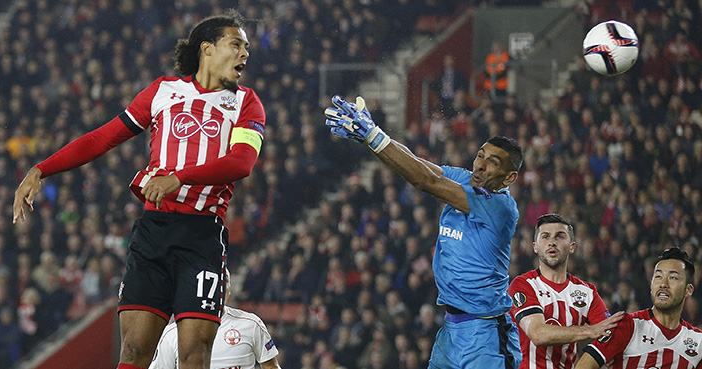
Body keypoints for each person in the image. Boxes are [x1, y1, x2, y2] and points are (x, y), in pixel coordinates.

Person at [13, 10, 265, 369]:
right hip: (153, 233)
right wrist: (41, 169)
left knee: (194, 357)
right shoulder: (163, 91)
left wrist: (177, 178)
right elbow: (103, 137)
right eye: (236, 44)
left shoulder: (246, 102)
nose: (245, 53)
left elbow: (242, 162)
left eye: (247, 47)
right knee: (133, 353)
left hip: (202, 238)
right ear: (207, 49)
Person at [324, 95, 524, 368]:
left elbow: (425, 181)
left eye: (493, 162)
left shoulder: (500, 206)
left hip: (486, 333)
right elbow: (418, 164)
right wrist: (376, 136)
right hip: (452, 328)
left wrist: (373, 137)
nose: (480, 164)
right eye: (480, 155)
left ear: (509, 177)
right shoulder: (466, 179)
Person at [508, 214, 624, 369]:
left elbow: (610, 335)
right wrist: (589, 331)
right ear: (535, 247)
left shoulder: (587, 292)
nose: (552, 242)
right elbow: (538, 334)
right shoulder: (523, 285)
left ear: (572, 247)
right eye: (545, 236)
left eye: (559, 236)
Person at [575, 247, 702, 369]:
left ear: (688, 290)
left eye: (673, 277)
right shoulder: (628, 325)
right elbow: (584, 365)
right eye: (658, 276)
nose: (663, 284)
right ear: (651, 285)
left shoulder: (698, 342)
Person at [149, 270, 281, 369]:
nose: (220, 287)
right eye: (211, 282)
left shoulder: (251, 324)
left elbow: (271, 366)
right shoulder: (172, 334)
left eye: (225, 281)